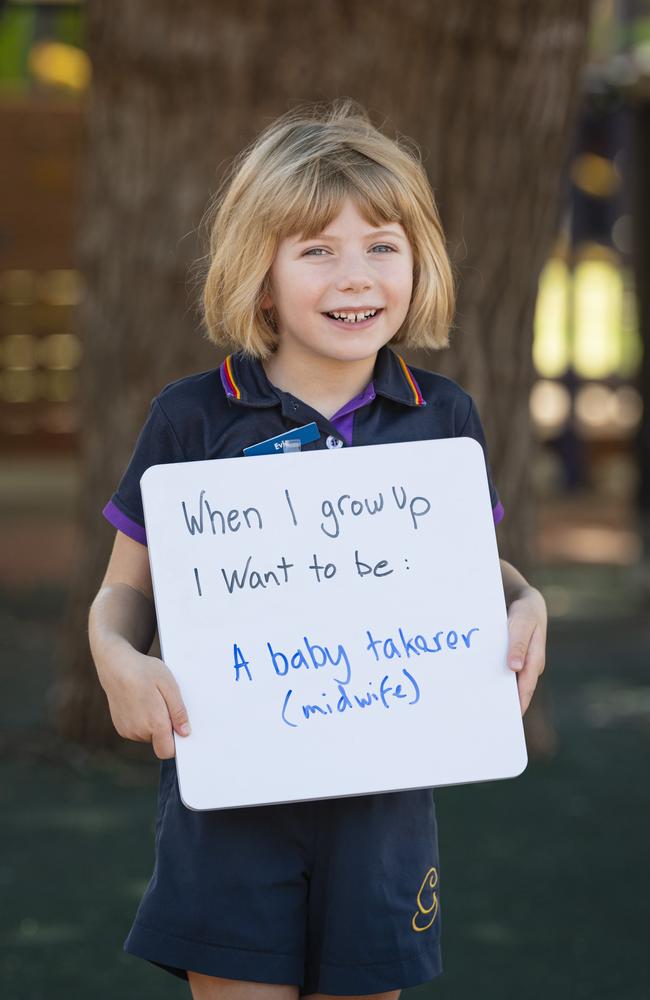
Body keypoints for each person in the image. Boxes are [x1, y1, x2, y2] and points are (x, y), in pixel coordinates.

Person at [89, 98, 547, 1000]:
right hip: (227, 799)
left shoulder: (441, 415)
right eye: (316, 250)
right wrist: (112, 656)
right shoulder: (191, 417)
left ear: (419, 263)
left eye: (383, 246)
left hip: (387, 806)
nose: (356, 275)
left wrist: (525, 599)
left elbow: (465, 568)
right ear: (260, 275)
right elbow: (123, 592)